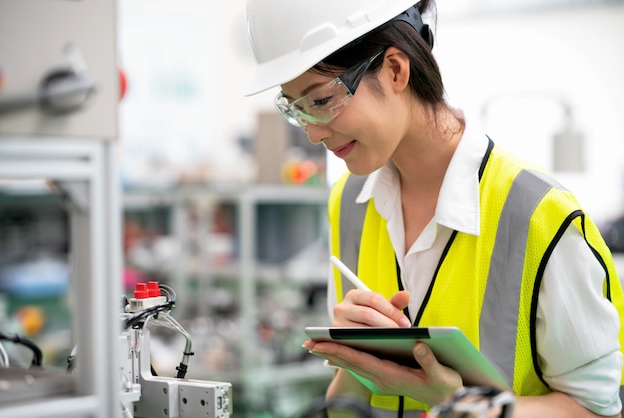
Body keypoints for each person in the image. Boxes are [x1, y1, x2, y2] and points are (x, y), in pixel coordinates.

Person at [245, 0, 624, 416]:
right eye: (294, 108)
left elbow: (599, 409)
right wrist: (356, 362)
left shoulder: (538, 214)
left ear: (395, 70)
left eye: (320, 101)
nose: (313, 133)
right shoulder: (348, 202)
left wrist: (454, 403)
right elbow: (345, 406)